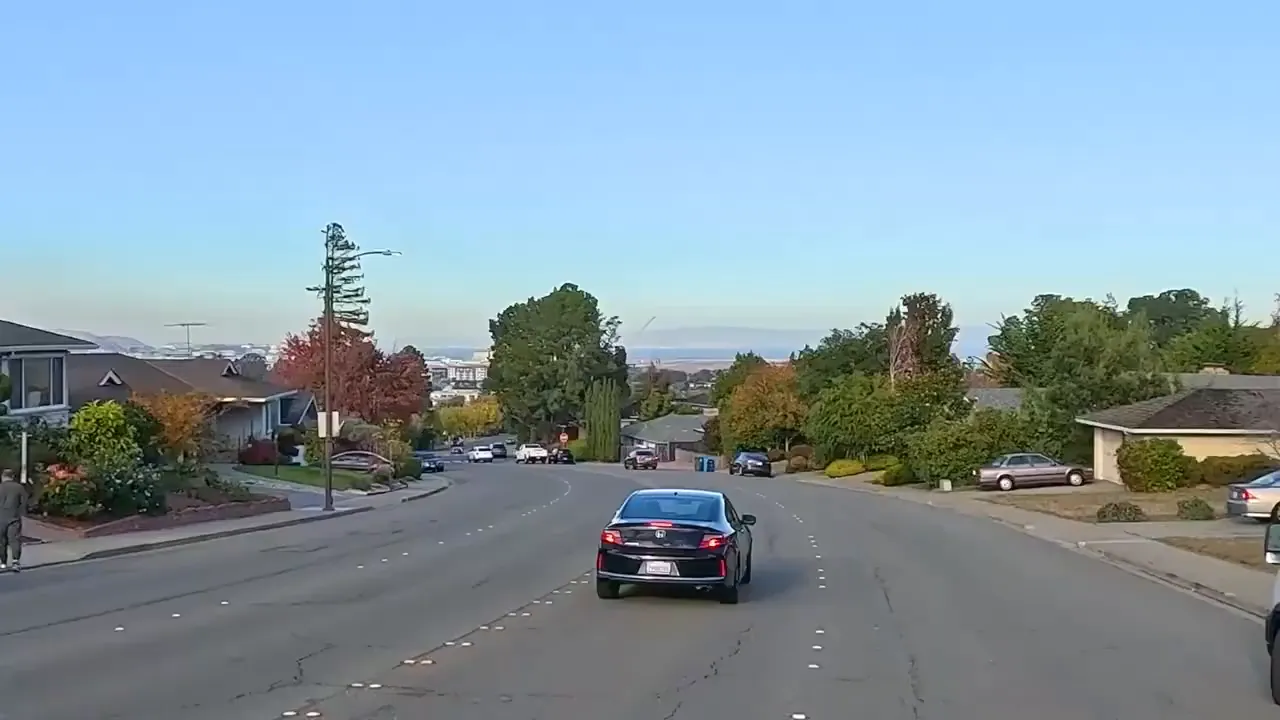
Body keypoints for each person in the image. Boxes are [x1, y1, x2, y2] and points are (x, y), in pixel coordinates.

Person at [0, 468, 28, 572]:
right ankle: (15, 562)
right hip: (14, 517)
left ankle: (3, 562)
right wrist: (21, 512)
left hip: (0, 518)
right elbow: (24, 501)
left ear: (3, 477)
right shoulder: (19, 487)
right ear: (12, 477)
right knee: (14, 540)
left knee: (1, 541)